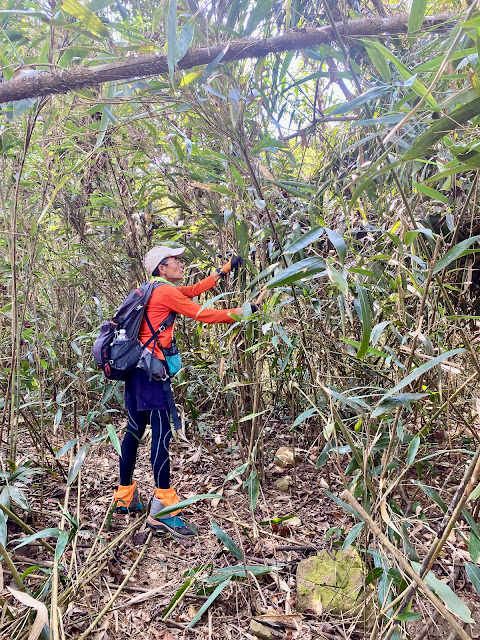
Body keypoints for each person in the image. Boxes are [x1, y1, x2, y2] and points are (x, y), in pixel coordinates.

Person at [113, 245, 246, 539]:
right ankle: (164, 509)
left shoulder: (152, 289)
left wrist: (222, 273)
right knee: (161, 434)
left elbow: (193, 290)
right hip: (152, 371)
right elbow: (205, 314)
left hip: (135, 370)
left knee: (134, 430)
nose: (180, 264)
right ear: (162, 267)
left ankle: (124, 498)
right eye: (175, 261)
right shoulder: (165, 293)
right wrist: (243, 313)